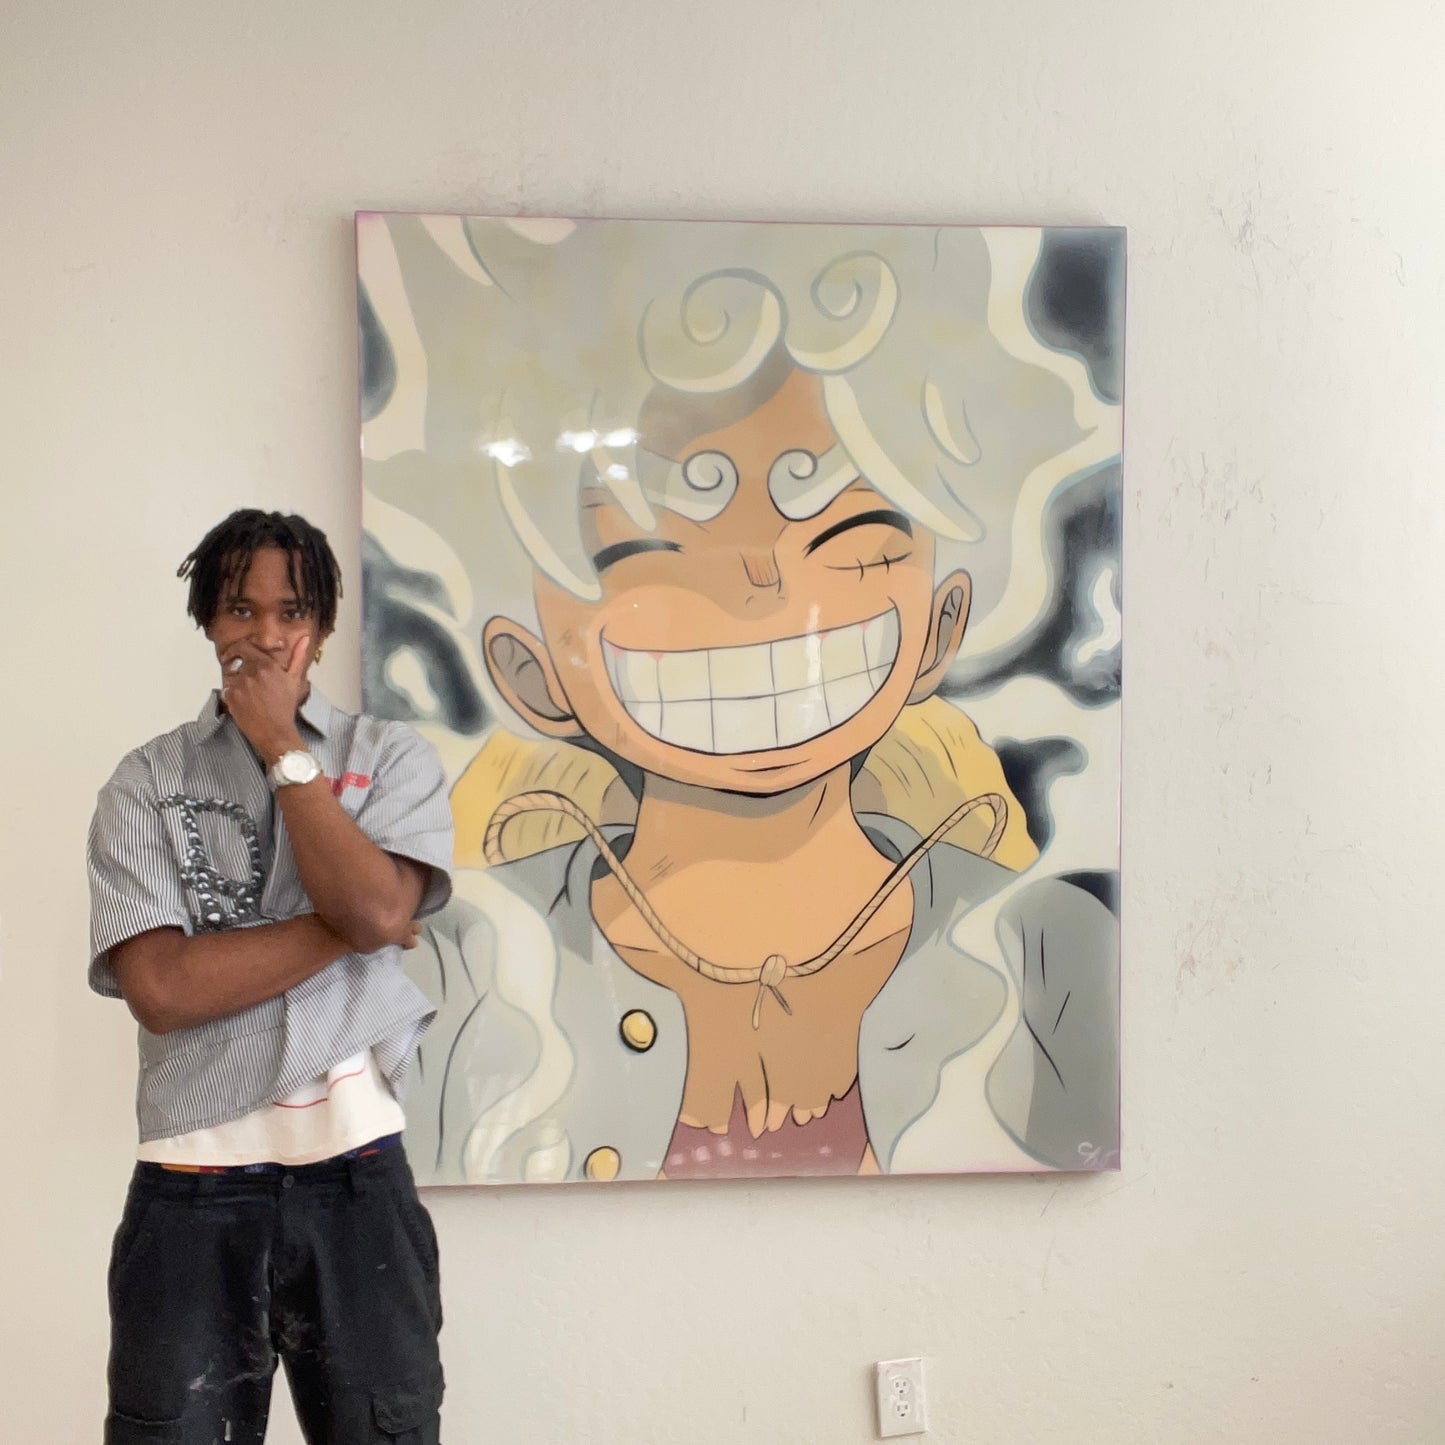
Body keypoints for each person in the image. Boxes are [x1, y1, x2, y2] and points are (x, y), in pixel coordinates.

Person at [400, 352, 1118, 1185]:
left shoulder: (1047, 948)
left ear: (940, 627)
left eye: (847, 540)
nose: (760, 582)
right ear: (530, 672)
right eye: (649, 552)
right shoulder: (463, 962)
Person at [88, 509, 453, 1444]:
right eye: (239, 609)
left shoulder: (391, 759)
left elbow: (377, 910)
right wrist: (359, 919)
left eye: (291, 611)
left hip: (358, 1183)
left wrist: (284, 749)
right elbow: (163, 991)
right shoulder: (145, 782)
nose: (264, 634)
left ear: (321, 627)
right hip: (189, 1187)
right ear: (208, 620)